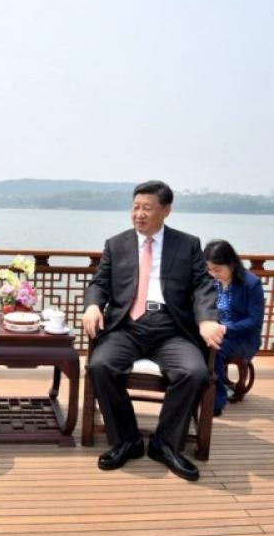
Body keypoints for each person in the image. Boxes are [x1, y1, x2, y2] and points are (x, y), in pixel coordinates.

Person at [83, 180, 222, 482]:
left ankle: (165, 444)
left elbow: (203, 285)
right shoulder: (116, 244)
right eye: (135, 207)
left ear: (166, 211)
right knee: (100, 366)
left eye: (147, 208)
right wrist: (93, 305)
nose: (139, 214)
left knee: (194, 372)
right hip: (127, 327)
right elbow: (99, 284)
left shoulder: (187, 244)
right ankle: (127, 440)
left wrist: (207, 319)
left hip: (171, 328)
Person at [203, 239, 264, 416]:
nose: (213, 274)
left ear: (231, 264)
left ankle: (216, 400)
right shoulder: (212, 281)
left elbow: (254, 321)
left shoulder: (251, 284)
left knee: (214, 349)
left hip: (243, 338)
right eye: (209, 269)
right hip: (218, 331)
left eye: (217, 269)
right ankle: (203, 389)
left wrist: (226, 330)